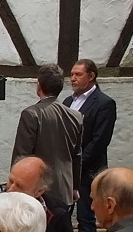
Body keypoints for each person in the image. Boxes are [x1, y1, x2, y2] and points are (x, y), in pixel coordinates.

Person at [11, 63, 83, 208]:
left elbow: (22, 154)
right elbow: (77, 155)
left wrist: (15, 186)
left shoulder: (31, 114)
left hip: (37, 190)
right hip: (65, 188)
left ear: (39, 86)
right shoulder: (76, 116)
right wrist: (75, 186)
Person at [64, 58, 117, 232]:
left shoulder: (104, 103)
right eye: (71, 74)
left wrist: (78, 163)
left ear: (91, 76)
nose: (73, 78)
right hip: (67, 169)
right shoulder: (68, 101)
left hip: (89, 170)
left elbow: (100, 140)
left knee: (86, 216)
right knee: (62, 215)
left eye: (78, 74)